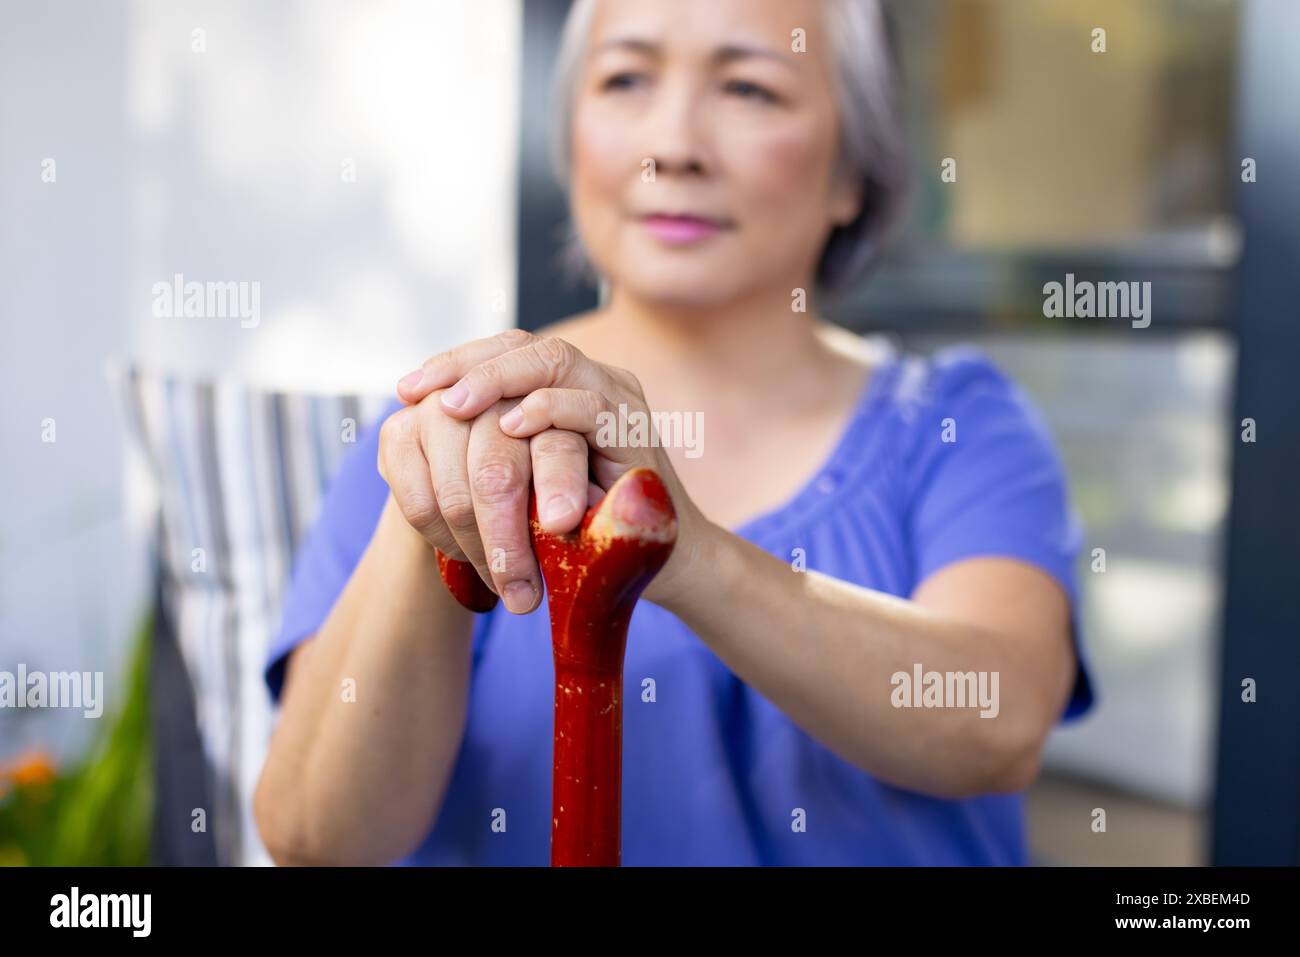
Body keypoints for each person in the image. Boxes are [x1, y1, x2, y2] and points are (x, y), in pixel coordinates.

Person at [254, 0, 1094, 866]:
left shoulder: (956, 426)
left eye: (748, 88)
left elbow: (999, 723)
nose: (674, 147)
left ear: (853, 171)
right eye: (624, 78)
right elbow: (316, 838)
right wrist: (441, 498)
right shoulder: (436, 431)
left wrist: (688, 553)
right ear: (573, 134)